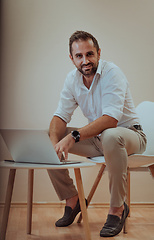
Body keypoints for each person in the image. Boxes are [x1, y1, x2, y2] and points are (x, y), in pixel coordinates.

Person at [48, 30, 147, 237]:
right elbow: (60, 116)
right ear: (72, 58)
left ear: (99, 53)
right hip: (99, 139)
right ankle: (72, 199)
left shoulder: (112, 73)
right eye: (79, 56)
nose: (85, 60)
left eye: (89, 54)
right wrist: (54, 141)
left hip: (130, 136)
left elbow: (111, 120)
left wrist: (73, 136)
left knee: (111, 134)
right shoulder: (72, 80)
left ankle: (117, 209)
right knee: (49, 137)